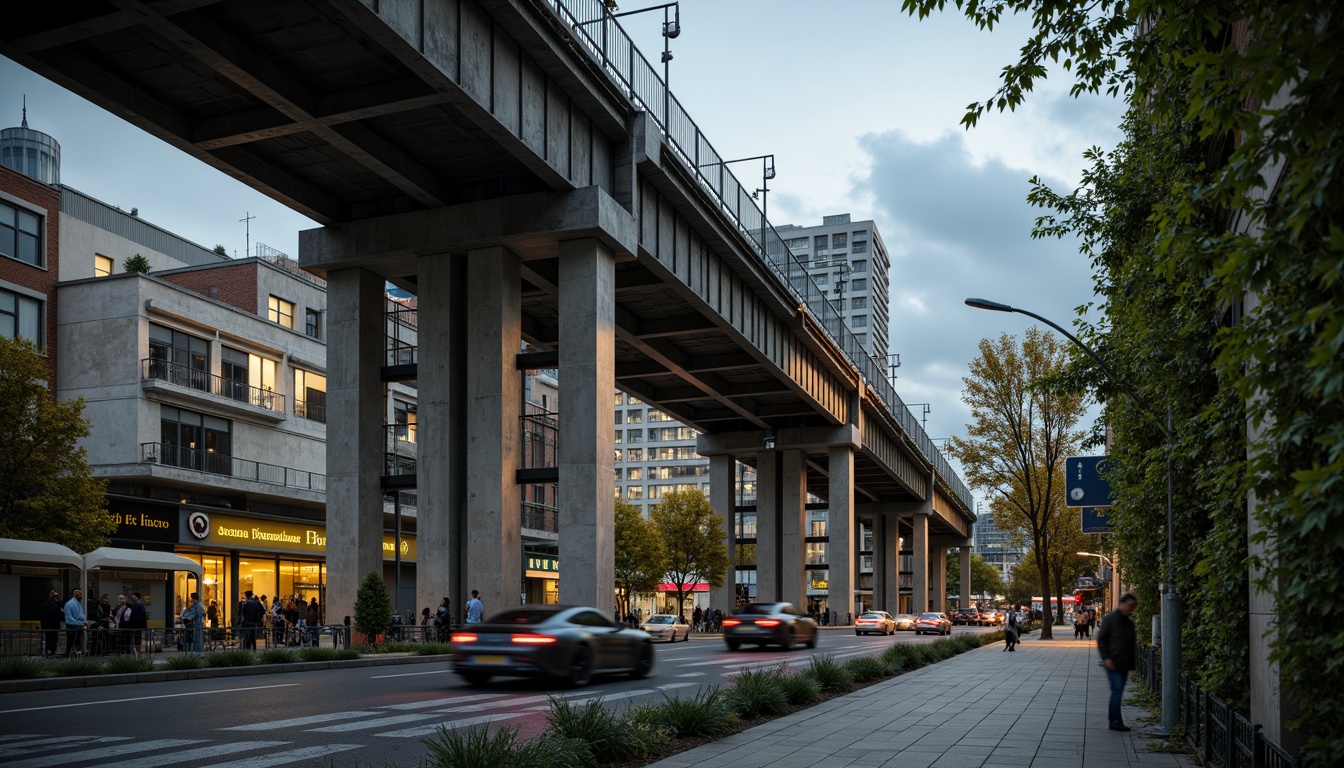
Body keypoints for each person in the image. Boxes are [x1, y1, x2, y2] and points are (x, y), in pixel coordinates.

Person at [1097, 592, 1139, 731]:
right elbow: (1101, 639)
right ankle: (1115, 721)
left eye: (1133, 606)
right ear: (1122, 604)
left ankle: (1116, 719)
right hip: (1113, 661)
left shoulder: (1128, 621)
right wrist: (1106, 658)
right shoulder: (1110, 618)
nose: (1131, 609)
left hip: (1124, 662)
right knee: (1116, 691)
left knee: (1118, 691)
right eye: (1129, 605)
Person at [64, 588, 90, 656]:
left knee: (76, 642)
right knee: (71, 642)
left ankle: (76, 652)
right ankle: (69, 653)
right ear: (77, 595)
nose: (82, 597)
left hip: (78, 625)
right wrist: (82, 622)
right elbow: (69, 618)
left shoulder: (78, 604)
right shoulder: (69, 604)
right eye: (80, 595)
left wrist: (85, 622)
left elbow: (81, 615)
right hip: (72, 626)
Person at [40, 590, 62, 657]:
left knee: (48, 639)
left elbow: (42, 616)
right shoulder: (56, 606)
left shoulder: (45, 605)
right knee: (54, 639)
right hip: (54, 626)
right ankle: (52, 651)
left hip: (47, 626)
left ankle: (47, 651)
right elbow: (60, 614)